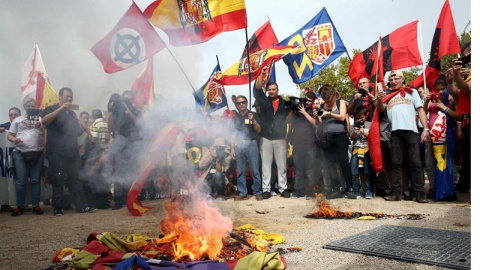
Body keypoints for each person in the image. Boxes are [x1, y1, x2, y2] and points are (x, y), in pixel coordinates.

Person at [375, 71, 429, 203]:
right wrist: (378, 99)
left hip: (411, 131)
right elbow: (381, 109)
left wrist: (426, 128)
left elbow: (421, 110)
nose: (393, 81)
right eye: (391, 79)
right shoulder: (387, 94)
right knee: (395, 163)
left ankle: (419, 193)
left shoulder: (412, 92)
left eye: (396, 78)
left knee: (415, 162)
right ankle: (396, 193)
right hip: (394, 132)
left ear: (403, 79)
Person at [41, 87, 96, 215]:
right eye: (67, 96)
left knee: (76, 178)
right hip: (56, 151)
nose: (69, 99)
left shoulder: (72, 114)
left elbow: (75, 133)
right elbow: (44, 121)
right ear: (60, 97)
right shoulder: (52, 109)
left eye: (71, 97)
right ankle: (58, 208)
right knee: (58, 178)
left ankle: (81, 206)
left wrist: (82, 129)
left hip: (72, 151)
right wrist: (60, 109)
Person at [254, 67, 291, 199]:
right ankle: (266, 189)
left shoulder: (285, 104)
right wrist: (261, 74)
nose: (271, 91)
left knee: (282, 165)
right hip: (266, 138)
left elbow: (293, 115)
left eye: (273, 89)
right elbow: (258, 90)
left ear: (277, 90)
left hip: (280, 138)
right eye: (269, 89)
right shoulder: (264, 102)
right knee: (265, 165)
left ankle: (283, 188)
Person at [8, 98, 45, 216]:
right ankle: (20, 206)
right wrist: (15, 139)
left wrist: (42, 122)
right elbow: (9, 135)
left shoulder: (41, 119)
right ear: (24, 107)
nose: (30, 107)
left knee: (35, 180)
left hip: (38, 153)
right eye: (28, 106)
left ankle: (36, 206)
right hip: (20, 153)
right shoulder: (18, 120)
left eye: (32, 105)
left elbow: (49, 131)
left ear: (36, 106)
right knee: (21, 181)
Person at [315, 84, 352, 199]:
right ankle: (336, 189)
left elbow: (341, 117)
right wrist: (319, 116)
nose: (329, 103)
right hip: (327, 138)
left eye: (330, 100)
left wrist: (329, 113)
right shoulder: (322, 105)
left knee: (343, 162)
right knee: (330, 164)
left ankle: (349, 188)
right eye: (327, 101)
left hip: (340, 136)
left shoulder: (341, 103)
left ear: (333, 95)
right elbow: (320, 124)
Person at [107, 90, 142, 210]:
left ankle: (132, 198)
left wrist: (130, 113)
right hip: (119, 144)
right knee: (117, 171)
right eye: (124, 99)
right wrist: (111, 112)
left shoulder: (136, 111)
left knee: (132, 171)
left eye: (129, 99)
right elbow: (110, 128)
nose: (126, 102)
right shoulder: (116, 112)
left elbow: (142, 124)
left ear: (132, 100)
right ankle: (118, 199)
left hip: (133, 145)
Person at [230, 95, 263, 201]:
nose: (241, 104)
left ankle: (257, 192)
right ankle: (242, 193)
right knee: (240, 171)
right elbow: (233, 134)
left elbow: (258, 130)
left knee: (255, 170)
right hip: (239, 145)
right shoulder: (235, 117)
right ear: (237, 105)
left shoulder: (253, 114)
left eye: (243, 102)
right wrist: (232, 148)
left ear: (247, 103)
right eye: (239, 103)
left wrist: (253, 120)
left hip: (251, 144)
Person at [286, 92, 317, 199]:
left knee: (310, 171)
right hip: (297, 146)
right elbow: (287, 121)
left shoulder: (313, 111)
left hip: (310, 145)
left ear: (312, 101)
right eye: (305, 100)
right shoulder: (296, 112)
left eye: (309, 100)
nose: (306, 102)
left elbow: (315, 123)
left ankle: (310, 192)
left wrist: (304, 112)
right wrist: (292, 109)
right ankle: (298, 191)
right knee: (298, 170)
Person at [81, 109, 111, 209]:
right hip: (105, 155)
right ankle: (104, 202)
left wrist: (87, 130)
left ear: (93, 117)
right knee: (103, 179)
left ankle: (95, 203)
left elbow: (93, 138)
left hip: (95, 156)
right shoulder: (106, 124)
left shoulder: (95, 125)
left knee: (94, 179)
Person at [349, 108, 373, 199]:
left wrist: (364, 133)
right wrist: (355, 132)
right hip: (356, 150)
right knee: (354, 171)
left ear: (365, 117)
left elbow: (373, 137)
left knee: (367, 171)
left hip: (367, 150)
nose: (360, 119)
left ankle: (368, 190)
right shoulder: (353, 125)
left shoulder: (369, 125)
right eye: (358, 118)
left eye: (362, 117)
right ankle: (356, 191)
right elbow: (351, 138)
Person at [0, 107, 21, 212]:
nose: (13, 117)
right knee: (5, 181)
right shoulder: (4, 126)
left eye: (15, 115)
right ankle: (4, 203)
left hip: (19, 158)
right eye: (11, 115)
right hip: (5, 160)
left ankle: (21, 203)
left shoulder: (23, 125)